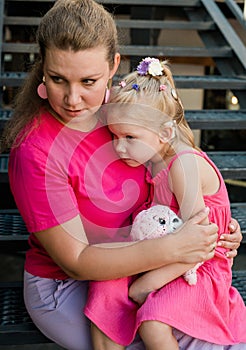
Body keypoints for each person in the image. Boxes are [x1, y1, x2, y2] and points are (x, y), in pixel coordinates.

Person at [0, 1, 242, 348]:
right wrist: (178, 246)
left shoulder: (124, 112)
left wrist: (217, 230)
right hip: (68, 284)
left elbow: (179, 163)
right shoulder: (35, 151)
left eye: (89, 80)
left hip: (147, 254)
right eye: (57, 79)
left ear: (114, 66)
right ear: (41, 69)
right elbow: (78, 263)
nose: (73, 98)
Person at [84, 57, 246, 350]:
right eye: (115, 136)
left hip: (200, 268)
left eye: (129, 137)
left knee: (153, 324)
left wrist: (147, 284)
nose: (119, 147)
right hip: (168, 254)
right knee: (105, 282)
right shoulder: (151, 160)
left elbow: (201, 247)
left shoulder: (183, 166)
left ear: (165, 133)